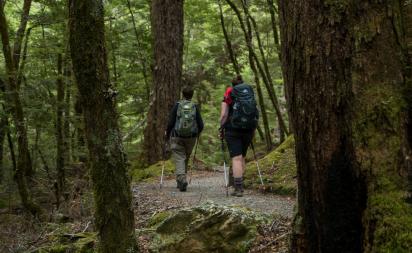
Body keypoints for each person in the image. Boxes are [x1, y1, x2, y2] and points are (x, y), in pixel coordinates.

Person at [219, 75, 258, 197]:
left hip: (233, 129)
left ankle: (238, 188)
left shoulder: (229, 92)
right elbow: (255, 111)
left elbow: (224, 114)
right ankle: (241, 183)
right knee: (242, 157)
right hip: (249, 129)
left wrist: (221, 127)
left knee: (236, 158)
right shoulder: (249, 93)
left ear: (233, 84)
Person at [166, 86, 204, 192]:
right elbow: (201, 124)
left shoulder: (178, 105)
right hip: (191, 137)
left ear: (183, 94)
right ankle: (181, 180)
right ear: (192, 95)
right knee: (185, 157)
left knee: (179, 157)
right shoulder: (195, 106)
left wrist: (167, 133)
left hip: (177, 135)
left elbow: (171, 122)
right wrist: (198, 133)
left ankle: (181, 179)